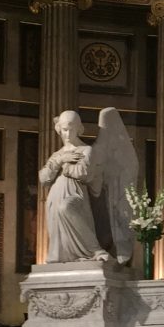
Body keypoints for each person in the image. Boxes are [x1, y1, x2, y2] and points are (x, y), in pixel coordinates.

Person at [39, 110, 110, 263]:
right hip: (55, 195)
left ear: (79, 128)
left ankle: (94, 249)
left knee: (66, 208)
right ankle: (64, 257)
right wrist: (60, 160)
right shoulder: (57, 154)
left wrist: (61, 164)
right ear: (59, 130)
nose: (68, 133)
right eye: (64, 129)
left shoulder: (86, 150)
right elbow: (43, 178)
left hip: (75, 192)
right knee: (59, 216)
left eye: (72, 129)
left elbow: (83, 174)